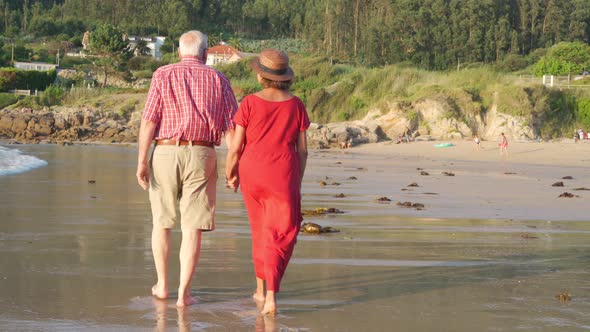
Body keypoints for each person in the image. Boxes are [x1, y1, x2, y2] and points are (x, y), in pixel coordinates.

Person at [136, 30, 238, 307]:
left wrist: (142, 160)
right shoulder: (219, 78)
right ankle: (184, 294)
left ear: (180, 52)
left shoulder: (162, 74)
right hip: (203, 152)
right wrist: (234, 166)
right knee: (192, 226)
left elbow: (149, 121)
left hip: (166, 151)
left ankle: (163, 286)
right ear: (205, 54)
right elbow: (231, 129)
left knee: (161, 222)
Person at [225, 49, 309, 316]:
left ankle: (260, 291)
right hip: (282, 171)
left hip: (252, 171)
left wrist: (231, 174)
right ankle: (271, 295)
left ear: (261, 77)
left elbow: (236, 146)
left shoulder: (249, 102)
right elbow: (303, 150)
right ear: (285, 77)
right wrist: (297, 179)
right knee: (281, 233)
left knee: (260, 230)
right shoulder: (296, 105)